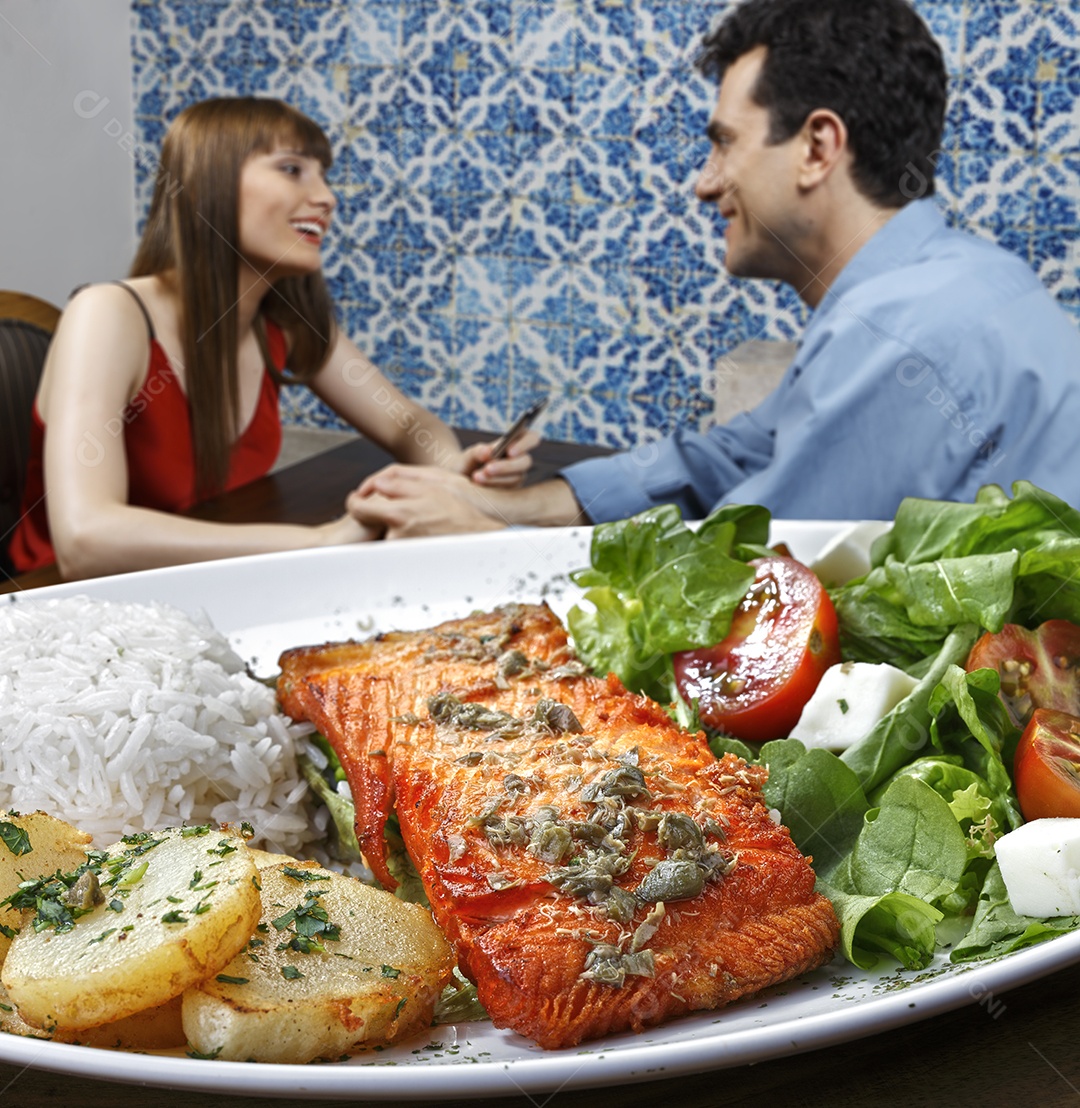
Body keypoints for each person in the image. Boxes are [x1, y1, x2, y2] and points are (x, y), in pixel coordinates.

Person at [347, 0, 1080, 538]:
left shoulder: (895, 332)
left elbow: (742, 589)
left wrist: (487, 540)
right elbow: (732, 455)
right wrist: (506, 504)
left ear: (818, 148)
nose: (704, 182)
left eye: (724, 143)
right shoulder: (951, 278)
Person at [9, 97, 533, 579]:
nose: (326, 198)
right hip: (61, 607)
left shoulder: (283, 320)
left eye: (324, 175)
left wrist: (452, 473)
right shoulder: (108, 313)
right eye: (292, 169)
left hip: (200, 587)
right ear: (208, 183)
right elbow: (85, 539)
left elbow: (405, 422)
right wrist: (324, 541)